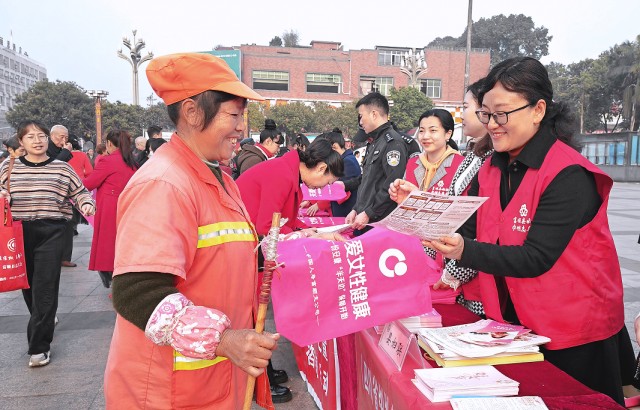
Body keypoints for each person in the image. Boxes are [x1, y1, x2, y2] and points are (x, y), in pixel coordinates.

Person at [395, 57, 633, 404]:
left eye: (501, 114)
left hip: (574, 334)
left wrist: (464, 249)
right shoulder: (492, 166)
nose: (492, 124)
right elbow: (468, 224)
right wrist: (420, 206)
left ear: (538, 110)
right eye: (486, 114)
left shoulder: (568, 174)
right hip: (514, 330)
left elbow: (536, 257)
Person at [104, 52, 280, 409]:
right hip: (166, 391)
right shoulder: (164, 183)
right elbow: (136, 291)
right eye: (234, 115)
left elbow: (227, 251)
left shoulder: (219, 176)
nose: (241, 128)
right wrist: (225, 339)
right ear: (192, 112)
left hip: (208, 382)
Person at [0, 120, 95, 368]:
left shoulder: (62, 169)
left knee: (45, 286)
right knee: (28, 285)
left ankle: (39, 347)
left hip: (52, 231)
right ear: (21, 142)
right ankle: (44, 316)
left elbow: (80, 192)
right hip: (19, 233)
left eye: (41, 135)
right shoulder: (8, 168)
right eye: (30, 137)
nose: (37, 140)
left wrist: (86, 203)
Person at [433, 79, 495, 317]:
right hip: (458, 267)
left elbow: (482, 226)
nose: (462, 114)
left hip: (477, 274)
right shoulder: (472, 154)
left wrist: (454, 273)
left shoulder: (492, 159)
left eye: (465, 106)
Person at [236, 138, 345, 237]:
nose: (322, 188)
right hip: (238, 237)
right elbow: (267, 227)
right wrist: (305, 234)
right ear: (321, 168)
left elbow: (285, 220)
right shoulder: (281, 174)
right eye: (327, 182)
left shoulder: (288, 170)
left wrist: (310, 230)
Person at [345, 92, 409, 233]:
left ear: (374, 114)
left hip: (377, 222)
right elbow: (367, 181)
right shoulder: (375, 142)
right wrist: (356, 209)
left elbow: (392, 184)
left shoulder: (393, 142)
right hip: (363, 218)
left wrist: (369, 213)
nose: (360, 122)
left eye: (361, 116)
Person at [83, 130, 137, 289]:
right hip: (129, 206)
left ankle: (114, 278)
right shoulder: (132, 162)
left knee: (109, 244)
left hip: (110, 207)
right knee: (123, 244)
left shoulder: (108, 161)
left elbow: (89, 183)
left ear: (109, 144)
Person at [404, 109, 463, 195]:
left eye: (433, 130)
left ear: (448, 134)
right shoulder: (412, 163)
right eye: (421, 131)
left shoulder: (461, 165)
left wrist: (419, 196)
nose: (425, 136)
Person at [324, 131, 361, 217]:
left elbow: (342, 193)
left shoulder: (347, 162)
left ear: (334, 147)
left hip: (346, 211)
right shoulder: (344, 160)